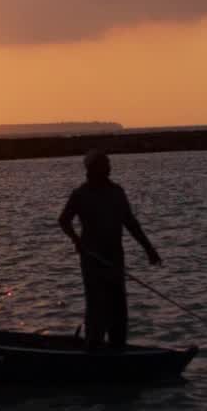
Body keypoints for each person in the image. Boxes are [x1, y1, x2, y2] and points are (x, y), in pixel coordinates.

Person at [58, 150, 161, 352]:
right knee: (96, 305)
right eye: (104, 165)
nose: (109, 168)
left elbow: (131, 223)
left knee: (118, 306)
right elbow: (64, 220)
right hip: (92, 259)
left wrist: (149, 250)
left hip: (115, 257)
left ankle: (117, 349)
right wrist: (77, 241)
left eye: (108, 164)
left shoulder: (117, 192)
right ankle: (93, 349)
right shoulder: (81, 194)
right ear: (92, 169)